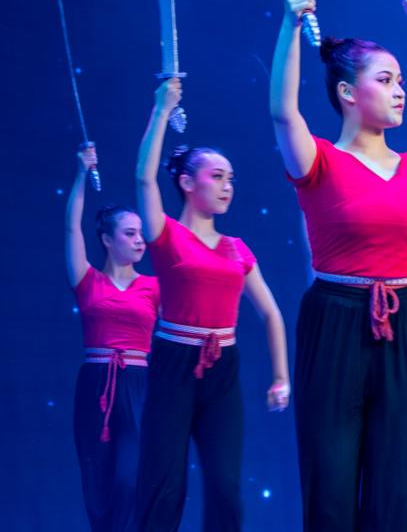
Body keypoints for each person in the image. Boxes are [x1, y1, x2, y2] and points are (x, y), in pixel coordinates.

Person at [270, 0, 407, 529]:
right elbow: (283, 113)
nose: (399, 91)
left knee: (403, 480)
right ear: (347, 92)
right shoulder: (318, 161)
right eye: (385, 80)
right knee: (332, 484)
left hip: (406, 324)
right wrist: (292, 24)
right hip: (334, 322)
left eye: (401, 82)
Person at [134, 78, 290, 531]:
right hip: (174, 362)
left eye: (231, 179)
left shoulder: (237, 248)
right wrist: (162, 109)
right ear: (186, 182)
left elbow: (271, 313)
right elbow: (143, 178)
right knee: (165, 483)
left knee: (225, 487)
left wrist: (281, 376)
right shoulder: (165, 233)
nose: (227, 186)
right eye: (217, 176)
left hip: (222, 367)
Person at [66, 145, 159, 530]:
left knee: (129, 478)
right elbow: (72, 228)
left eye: (141, 234)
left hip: (138, 384)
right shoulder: (87, 281)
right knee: (97, 482)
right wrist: (81, 174)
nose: (140, 241)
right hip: (95, 384)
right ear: (107, 239)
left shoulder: (153, 287)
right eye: (130, 233)